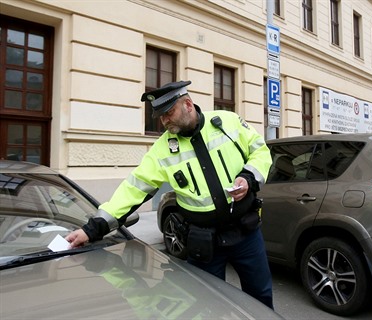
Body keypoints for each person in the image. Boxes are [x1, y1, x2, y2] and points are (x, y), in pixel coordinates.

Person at [66, 80, 274, 309]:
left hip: (246, 235)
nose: (164, 121)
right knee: (206, 307)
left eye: (168, 112)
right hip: (205, 244)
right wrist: (93, 228)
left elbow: (260, 151)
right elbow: (133, 189)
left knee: (260, 298)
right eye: (160, 116)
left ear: (187, 104)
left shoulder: (228, 122)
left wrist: (249, 178)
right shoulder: (161, 150)